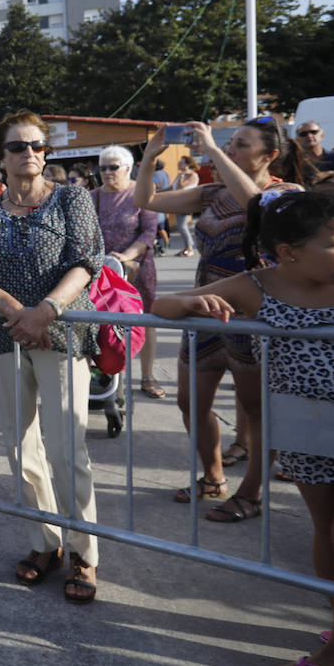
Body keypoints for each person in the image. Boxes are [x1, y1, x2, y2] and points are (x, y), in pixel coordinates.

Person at [151, 190, 334, 666]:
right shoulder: (260, 284)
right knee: (327, 529)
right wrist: (195, 301)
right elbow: (160, 304)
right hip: (305, 428)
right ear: (288, 252)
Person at [0, 110, 105, 604]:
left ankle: (84, 553)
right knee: (21, 448)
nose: (31, 154)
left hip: (62, 336)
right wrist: (17, 313)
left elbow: (87, 262)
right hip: (5, 336)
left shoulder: (72, 199)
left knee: (67, 447)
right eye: (19, 147)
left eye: (39, 146)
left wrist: (46, 311)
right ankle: (44, 541)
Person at [135, 120, 304, 521]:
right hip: (204, 311)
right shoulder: (213, 192)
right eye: (230, 143)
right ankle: (212, 477)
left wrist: (212, 150)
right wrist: (148, 159)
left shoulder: (286, 194)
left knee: (255, 408)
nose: (231, 148)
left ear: (270, 156)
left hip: (254, 315)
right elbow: (147, 200)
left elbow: (257, 208)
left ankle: (251, 491)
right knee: (190, 401)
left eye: (241, 145)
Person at [92, 146, 163, 398]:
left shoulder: (141, 194)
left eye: (113, 167)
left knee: (145, 320)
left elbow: (148, 233)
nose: (107, 172)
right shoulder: (94, 197)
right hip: (101, 271)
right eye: (103, 168)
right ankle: (104, 376)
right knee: (101, 324)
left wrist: (126, 255)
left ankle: (147, 375)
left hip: (137, 268)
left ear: (127, 168)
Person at [171, 155, 201, 257]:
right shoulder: (180, 175)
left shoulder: (193, 175)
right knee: (181, 226)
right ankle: (186, 247)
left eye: (181, 162)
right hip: (178, 203)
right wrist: (157, 192)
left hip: (187, 203)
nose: (179, 164)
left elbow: (181, 186)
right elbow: (172, 187)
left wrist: (182, 176)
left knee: (183, 226)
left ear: (188, 164)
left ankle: (190, 248)